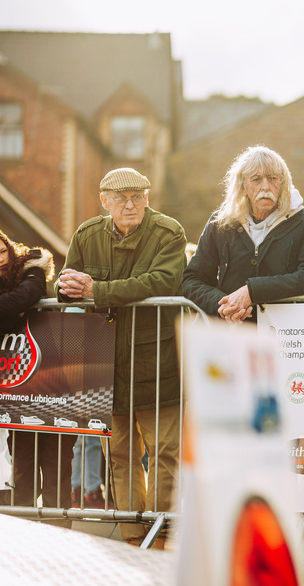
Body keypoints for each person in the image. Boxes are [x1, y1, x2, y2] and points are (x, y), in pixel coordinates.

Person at [55, 167, 186, 547]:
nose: (130, 205)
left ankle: (164, 530)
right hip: (105, 357)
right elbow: (66, 281)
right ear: (104, 201)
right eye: (121, 198)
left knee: (165, 451)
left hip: (157, 356)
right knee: (121, 454)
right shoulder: (86, 234)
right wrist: (67, 287)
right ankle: (133, 534)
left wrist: (97, 290)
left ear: (148, 197)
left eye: (137, 196)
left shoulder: (169, 232)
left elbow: (163, 281)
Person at [183, 146, 304, 322]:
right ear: (243, 187)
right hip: (232, 334)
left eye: (273, 178)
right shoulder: (221, 223)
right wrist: (223, 305)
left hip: (287, 335)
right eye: (256, 179)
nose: (265, 186)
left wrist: (252, 291)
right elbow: (193, 279)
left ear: (283, 184)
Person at [0, 230, 74, 523]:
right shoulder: (27, 273)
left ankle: (60, 528)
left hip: (51, 378)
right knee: (22, 461)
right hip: (14, 385)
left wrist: (18, 300)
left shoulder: (30, 265)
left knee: (56, 457)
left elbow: (32, 293)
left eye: (1, 251)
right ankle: (24, 532)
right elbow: (21, 299)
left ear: (9, 248)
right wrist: (17, 304)